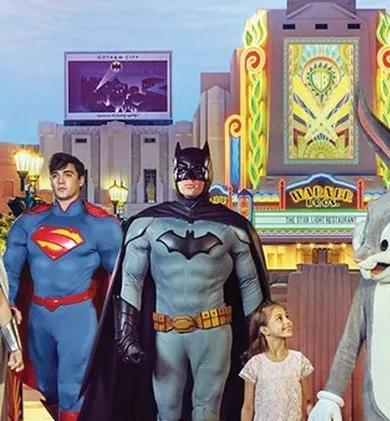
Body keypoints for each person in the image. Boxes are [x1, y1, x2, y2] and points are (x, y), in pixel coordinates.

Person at [79, 142, 272, 421]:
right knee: (166, 411)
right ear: (173, 173)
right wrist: (126, 335)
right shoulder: (147, 223)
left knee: (207, 411)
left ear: (209, 172)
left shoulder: (232, 227)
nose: (189, 178)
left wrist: (254, 338)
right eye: (182, 170)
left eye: (197, 170)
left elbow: (249, 284)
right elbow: (131, 280)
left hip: (213, 331)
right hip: (166, 331)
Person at [2, 152, 122, 420]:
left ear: (81, 180)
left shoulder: (101, 225)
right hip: (38, 316)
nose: (61, 181)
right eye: (55, 176)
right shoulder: (29, 222)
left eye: (68, 175)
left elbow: (120, 278)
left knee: (72, 387)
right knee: (44, 386)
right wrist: (10, 303)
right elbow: (10, 269)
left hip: (78, 316)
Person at [240, 301, 313, 421]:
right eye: (279, 318)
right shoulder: (255, 364)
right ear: (265, 330)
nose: (288, 322)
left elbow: (305, 401)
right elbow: (248, 407)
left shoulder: (298, 360)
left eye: (287, 316)